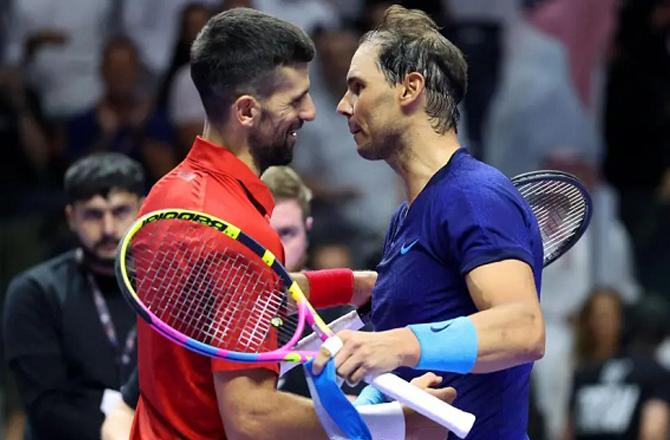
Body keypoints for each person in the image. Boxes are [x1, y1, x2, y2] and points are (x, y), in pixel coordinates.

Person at [130, 7, 455, 440]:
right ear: (246, 111)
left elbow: (231, 298)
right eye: (295, 99)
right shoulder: (239, 232)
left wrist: (353, 285)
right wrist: (396, 423)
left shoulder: (169, 194)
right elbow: (252, 418)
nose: (311, 112)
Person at [313, 5, 545, 439]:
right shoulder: (405, 218)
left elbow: (524, 328)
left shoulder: (475, 195)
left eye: (358, 87)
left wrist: (393, 343)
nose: (344, 106)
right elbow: (414, 377)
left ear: (409, 88)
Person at [3, 152, 144, 440]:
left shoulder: (167, 288)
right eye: (93, 214)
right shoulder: (35, 291)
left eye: (120, 212)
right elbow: (46, 407)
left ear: (142, 208)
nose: (108, 229)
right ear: (71, 216)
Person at [566, 289, 670, 439]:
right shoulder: (583, 374)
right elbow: (569, 430)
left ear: (622, 320)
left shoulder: (651, 372)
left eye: (606, 316)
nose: (601, 323)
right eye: (595, 316)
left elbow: (653, 433)